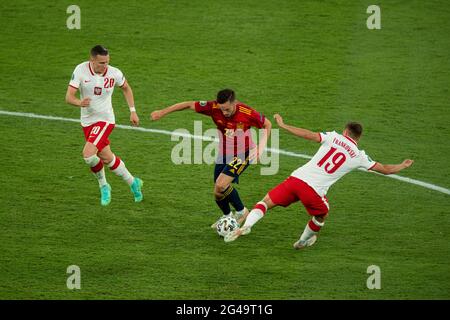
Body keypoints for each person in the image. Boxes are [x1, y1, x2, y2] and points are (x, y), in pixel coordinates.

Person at [225, 114, 414, 248]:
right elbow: (386, 170)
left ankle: (247, 225)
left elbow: (308, 134)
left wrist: (284, 125)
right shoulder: (359, 156)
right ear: (359, 137)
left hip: (296, 178)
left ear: (345, 131)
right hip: (314, 190)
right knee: (322, 215)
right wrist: (402, 165)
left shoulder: (333, 137)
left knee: (265, 202)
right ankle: (303, 240)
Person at [151, 89, 271, 227]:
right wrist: (162, 112)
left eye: (227, 109)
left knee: (221, 184)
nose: (224, 113)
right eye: (222, 109)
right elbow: (189, 105)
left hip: (243, 153)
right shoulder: (214, 107)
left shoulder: (246, 112)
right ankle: (227, 216)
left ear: (234, 103)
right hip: (224, 153)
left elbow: (267, 124)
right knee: (218, 191)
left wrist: (261, 147)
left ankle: (242, 212)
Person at [65, 45, 143, 206]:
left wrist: (133, 111)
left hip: (106, 120)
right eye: (101, 63)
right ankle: (133, 182)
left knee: (88, 155)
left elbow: (127, 89)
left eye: (107, 62)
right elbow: (69, 97)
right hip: (87, 122)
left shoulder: (114, 73)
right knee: (107, 158)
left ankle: (104, 186)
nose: (105, 66)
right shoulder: (80, 70)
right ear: (92, 60)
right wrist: (80, 102)